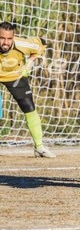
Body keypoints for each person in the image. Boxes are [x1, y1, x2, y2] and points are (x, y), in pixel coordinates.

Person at [0, 21, 55, 158]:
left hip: (15, 76)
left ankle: (39, 147)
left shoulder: (22, 45)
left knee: (29, 108)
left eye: (9, 38)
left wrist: (29, 63)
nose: (5, 42)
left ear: (14, 37)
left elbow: (42, 43)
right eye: (2, 38)